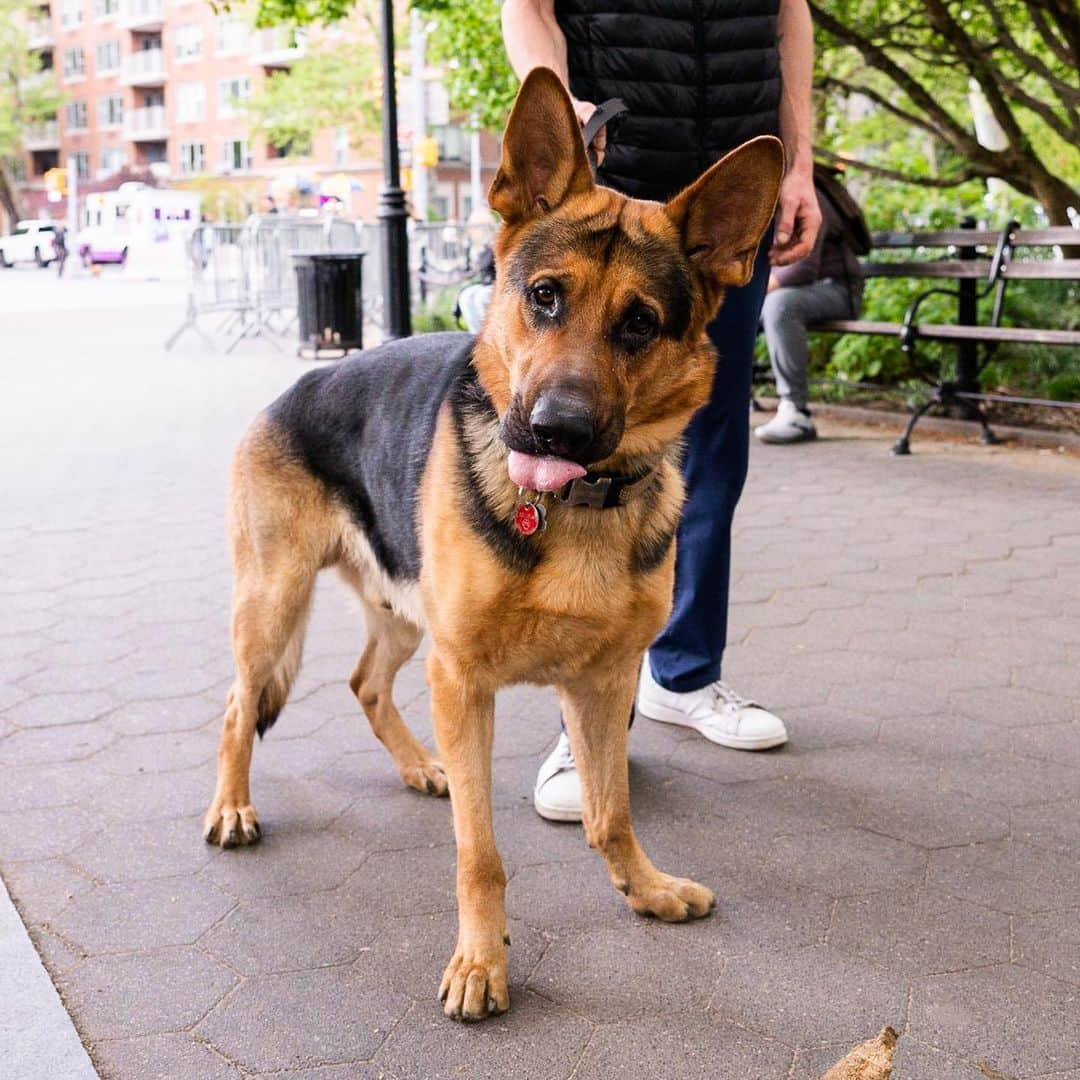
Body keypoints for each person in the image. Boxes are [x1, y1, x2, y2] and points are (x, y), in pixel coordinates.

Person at [502, 0, 822, 822]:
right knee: (575, 458)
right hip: (610, 178)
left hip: (719, 215)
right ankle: (587, 724)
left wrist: (799, 166)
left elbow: (789, 18)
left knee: (714, 453)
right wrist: (562, 106)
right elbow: (528, 7)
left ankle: (682, 674)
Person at [755, 169, 865, 444]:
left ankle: (795, 411)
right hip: (808, 291)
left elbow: (802, 269)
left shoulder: (807, 196)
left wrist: (755, 293)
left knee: (779, 305)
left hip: (838, 290)